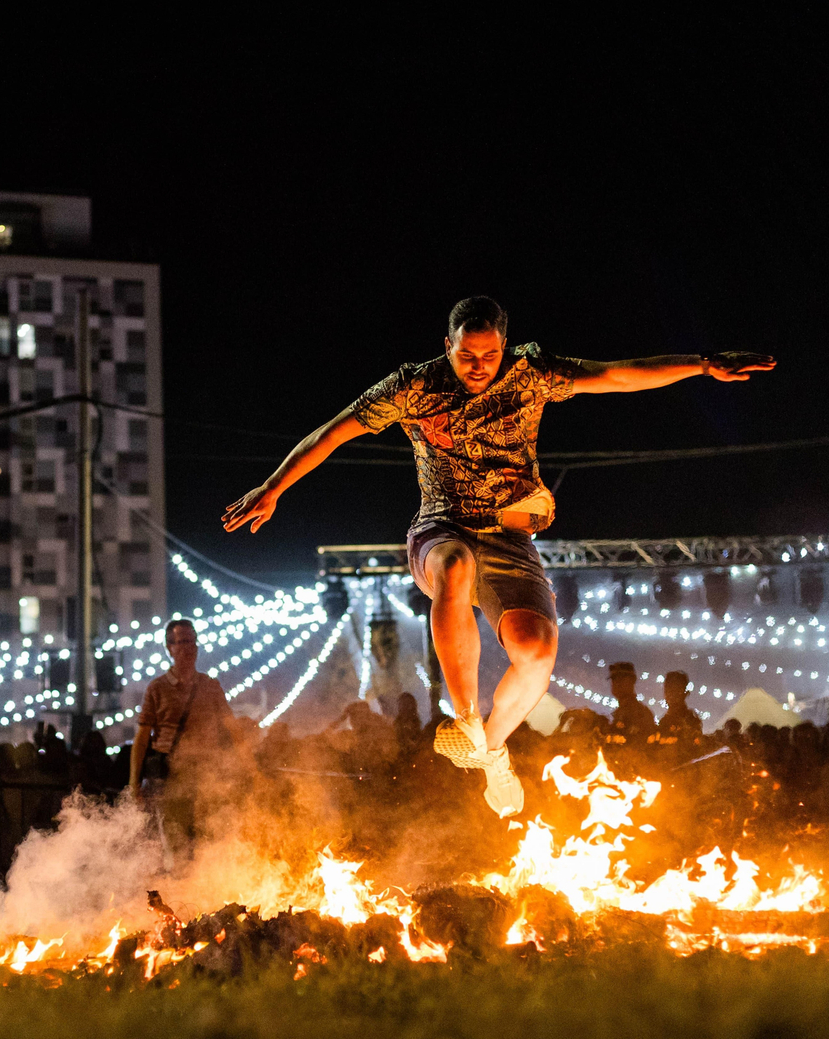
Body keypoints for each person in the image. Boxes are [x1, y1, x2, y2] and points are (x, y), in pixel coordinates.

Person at [222, 295, 773, 816]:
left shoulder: (531, 372)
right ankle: (465, 717)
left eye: (489, 356)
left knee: (536, 651)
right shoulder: (414, 385)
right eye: (466, 355)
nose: (478, 367)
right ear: (447, 345)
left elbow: (614, 374)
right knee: (455, 566)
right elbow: (332, 432)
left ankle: (490, 749)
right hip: (441, 529)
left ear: (504, 347)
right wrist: (273, 487)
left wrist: (703, 365)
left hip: (509, 537)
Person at [129, 619, 236, 863]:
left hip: (207, 776)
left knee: (209, 846)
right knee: (177, 848)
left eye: (191, 641)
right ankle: (180, 886)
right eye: (182, 642)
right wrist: (134, 784)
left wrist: (247, 766)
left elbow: (232, 728)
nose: (188, 647)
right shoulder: (157, 688)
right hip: (170, 779)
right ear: (170, 648)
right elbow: (142, 738)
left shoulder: (210, 686)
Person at [605, 663, 657, 746]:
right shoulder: (619, 713)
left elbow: (642, 747)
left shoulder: (640, 713)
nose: (617, 683)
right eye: (614, 679)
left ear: (632, 681)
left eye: (621, 679)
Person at [656, 670, 704, 747]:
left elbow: (695, 747)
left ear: (685, 693)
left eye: (675, 691)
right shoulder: (664, 722)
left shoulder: (690, 720)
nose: (670, 695)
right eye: (668, 690)